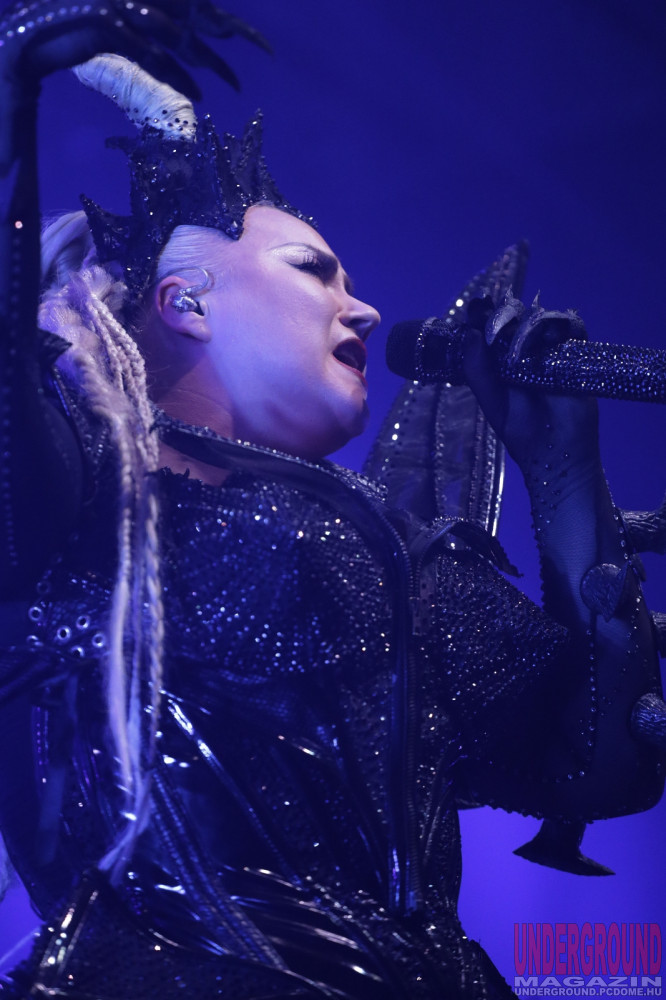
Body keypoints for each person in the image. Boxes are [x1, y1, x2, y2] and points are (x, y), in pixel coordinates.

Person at [0, 2, 663, 997]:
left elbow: (595, 767)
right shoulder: (89, 506)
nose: (363, 306)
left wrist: (564, 476)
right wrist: (14, 89)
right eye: (313, 270)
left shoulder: (396, 552)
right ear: (187, 302)